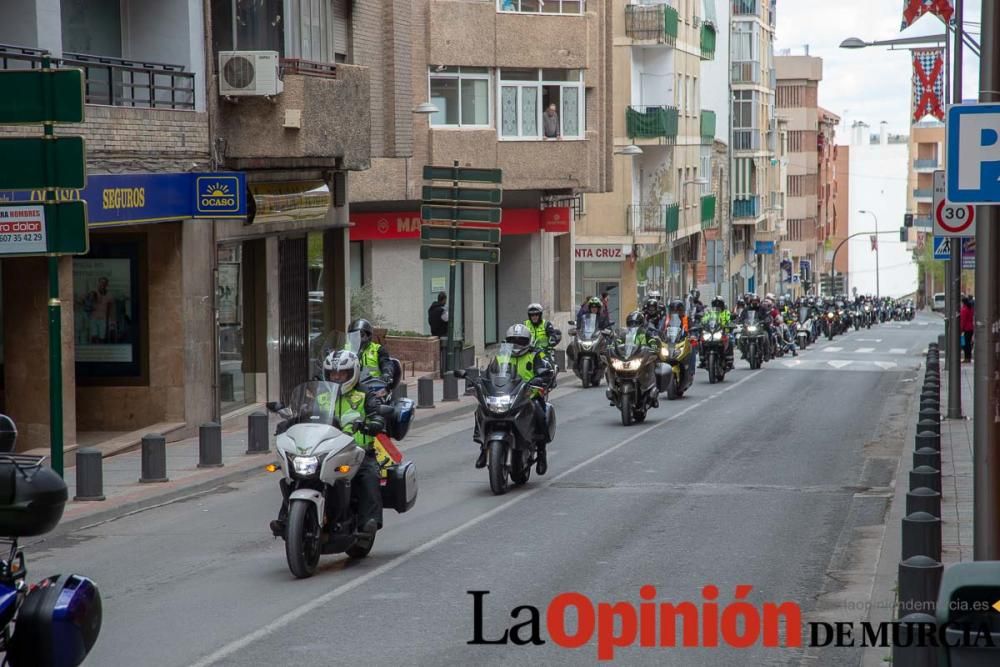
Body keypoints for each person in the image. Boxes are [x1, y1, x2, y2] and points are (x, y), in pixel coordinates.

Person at [271, 350, 386, 539]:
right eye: (333, 373)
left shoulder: (365, 395)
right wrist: (289, 422)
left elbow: (376, 414)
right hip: (325, 448)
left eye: (342, 373)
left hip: (358, 451)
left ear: (353, 373)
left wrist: (374, 422)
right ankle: (286, 520)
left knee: (369, 475)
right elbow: (306, 413)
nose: (337, 377)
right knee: (297, 476)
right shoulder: (321, 395)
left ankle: (369, 521)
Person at [475, 323, 555, 474]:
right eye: (514, 341)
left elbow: (545, 369)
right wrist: (480, 381)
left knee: (540, 414)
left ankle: (542, 451)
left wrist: (542, 377)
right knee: (481, 410)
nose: (517, 344)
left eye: (521, 341)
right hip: (507, 394)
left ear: (528, 342)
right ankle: (482, 447)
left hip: (529, 395)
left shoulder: (535, 355)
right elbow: (490, 373)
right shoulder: (501, 356)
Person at [348, 318, 394, 384]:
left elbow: (386, 363)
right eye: (354, 335)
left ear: (368, 336)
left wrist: (386, 373)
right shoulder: (345, 349)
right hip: (349, 384)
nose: (357, 337)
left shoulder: (378, 349)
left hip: (373, 385)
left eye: (361, 335)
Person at [961, 295, 975, 363]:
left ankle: (966, 358)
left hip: (966, 328)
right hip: (971, 328)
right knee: (968, 343)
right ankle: (968, 357)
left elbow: (963, 320)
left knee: (965, 344)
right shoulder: (970, 309)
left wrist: (961, 329)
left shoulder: (964, 310)